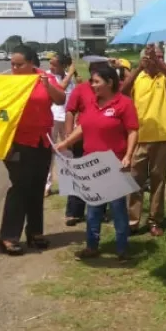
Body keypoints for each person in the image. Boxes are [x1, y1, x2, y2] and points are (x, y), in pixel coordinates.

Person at [56, 65, 139, 263]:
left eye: (96, 82)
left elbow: (132, 131)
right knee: (93, 208)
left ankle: (122, 249)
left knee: (118, 208)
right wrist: (66, 143)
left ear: (109, 82)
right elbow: (83, 126)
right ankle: (92, 246)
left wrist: (128, 155)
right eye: (92, 81)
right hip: (91, 164)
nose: (92, 85)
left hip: (114, 165)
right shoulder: (92, 103)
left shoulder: (124, 104)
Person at [0, 45, 65, 256]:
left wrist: (47, 86)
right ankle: (9, 237)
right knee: (19, 188)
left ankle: (35, 232)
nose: (14, 68)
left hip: (41, 142)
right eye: (12, 64)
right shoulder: (8, 83)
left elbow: (60, 99)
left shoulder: (45, 78)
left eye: (19, 64)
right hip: (17, 143)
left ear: (31, 63)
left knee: (37, 188)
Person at [120, 45, 166, 237]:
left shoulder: (165, 77)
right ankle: (132, 221)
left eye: (160, 57)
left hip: (162, 138)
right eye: (152, 57)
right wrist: (137, 68)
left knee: (158, 181)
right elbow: (122, 92)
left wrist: (159, 62)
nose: (156, 60)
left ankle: (155, 220)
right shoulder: (138, 77)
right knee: (135, 181)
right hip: (138, 138)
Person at [63, 58, 109, 225]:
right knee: (79, 174)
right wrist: (69, 135)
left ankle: (99, 210)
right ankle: (74, 212)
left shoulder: (110, 92)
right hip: (81, 138)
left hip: (103, 140)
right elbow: (70, 111)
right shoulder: (81, 90)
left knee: (100, 174)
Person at [45, 53, 77, 197]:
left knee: (67, 151)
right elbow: (60, 88)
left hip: (66, 119)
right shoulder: (47, 76)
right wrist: (70, 73)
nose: (51, 66)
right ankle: (46, 186)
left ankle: (69, 183)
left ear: (63, 66)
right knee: (48, 153)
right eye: (50, 63)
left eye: (54, 64)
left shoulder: (71, 80)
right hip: (51, 118)